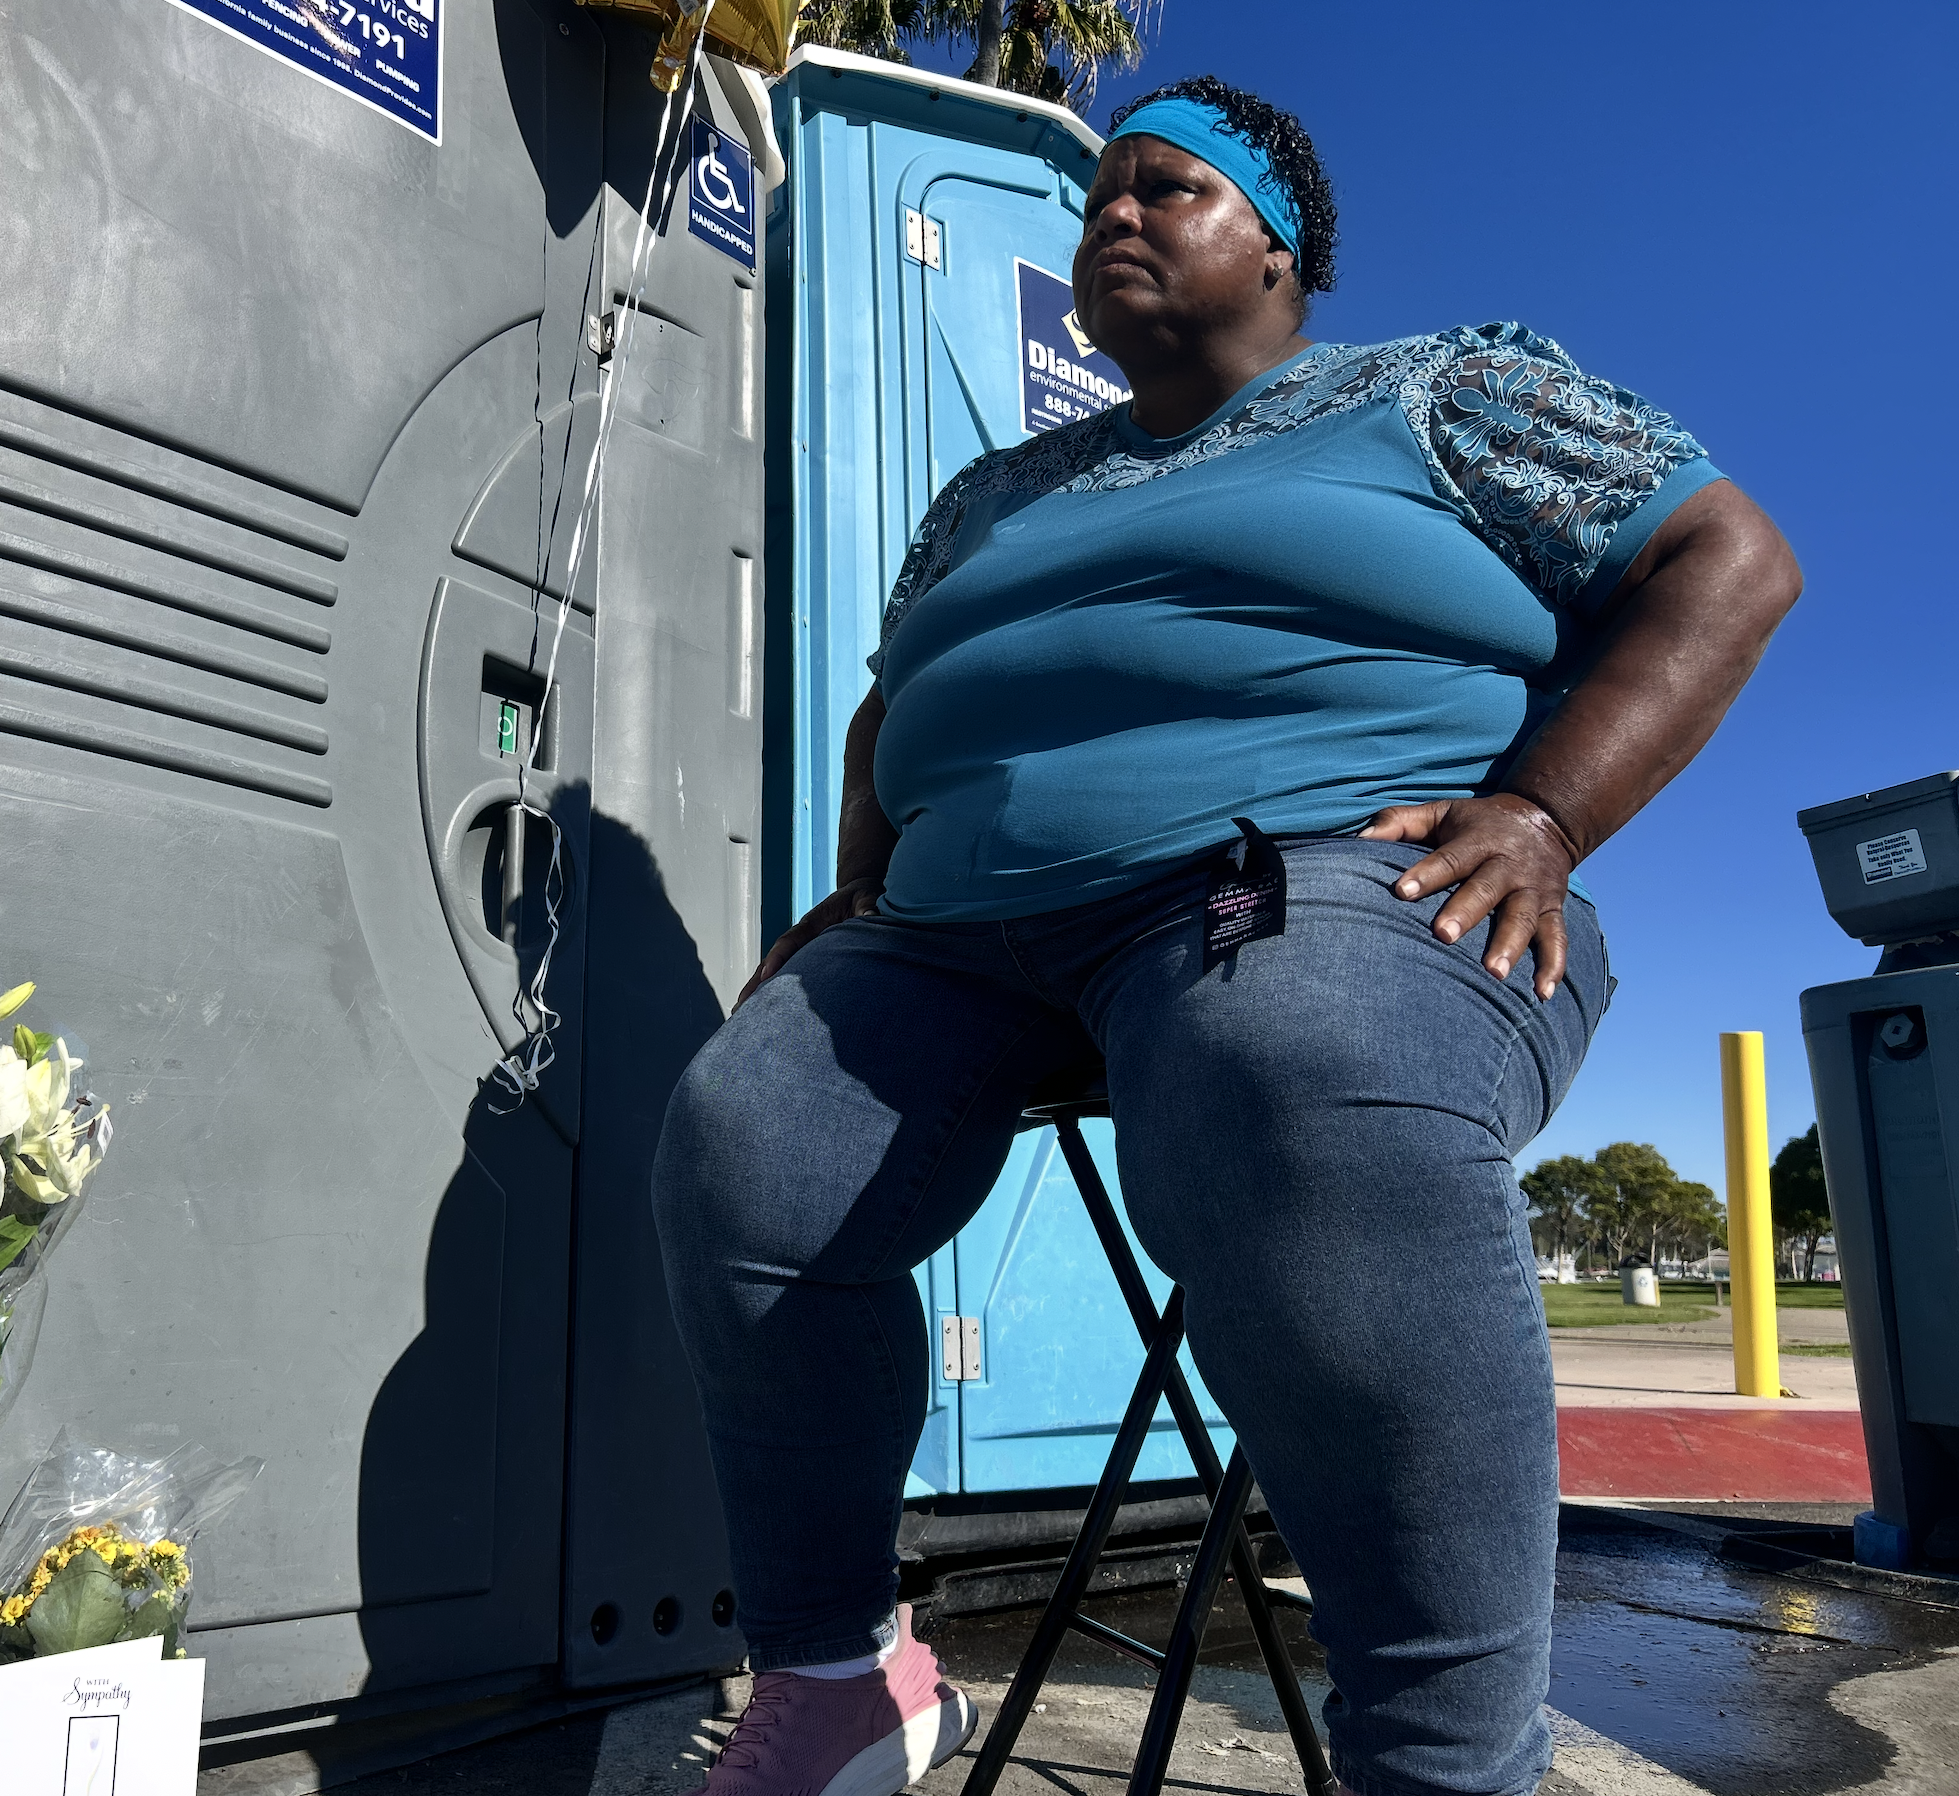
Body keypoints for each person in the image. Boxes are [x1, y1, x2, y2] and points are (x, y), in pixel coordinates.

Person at [655, 73, 1801, 1796]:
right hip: (964, 933)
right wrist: (863, 884)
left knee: (1286, 1053)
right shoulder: (991, 496)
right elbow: (893, 708)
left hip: (1324, 879)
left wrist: (1545, 813)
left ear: (1277, 248)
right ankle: (834, 1676)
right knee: (744, 1134)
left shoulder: (1441, 393)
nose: (1112, 214)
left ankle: (1445, 1763)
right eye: (1096, 196)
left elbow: (1728, 555)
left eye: (1165, 186)